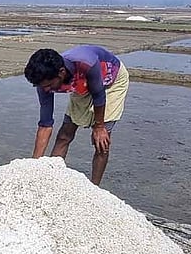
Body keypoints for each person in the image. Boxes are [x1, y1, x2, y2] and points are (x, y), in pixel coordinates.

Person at [24, 46, 130, 186]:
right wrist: (34, 165)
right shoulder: (44, 81)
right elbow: (45, 124)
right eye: (43, 87)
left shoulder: (86, 64)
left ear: (61, 73)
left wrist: (99, 126)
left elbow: (99, 95)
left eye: (49, 85)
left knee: (101, 140)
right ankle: (51, 178)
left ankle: (94, 188)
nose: (46, 90)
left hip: (111, 81)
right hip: (81, 82)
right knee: (64, 135)